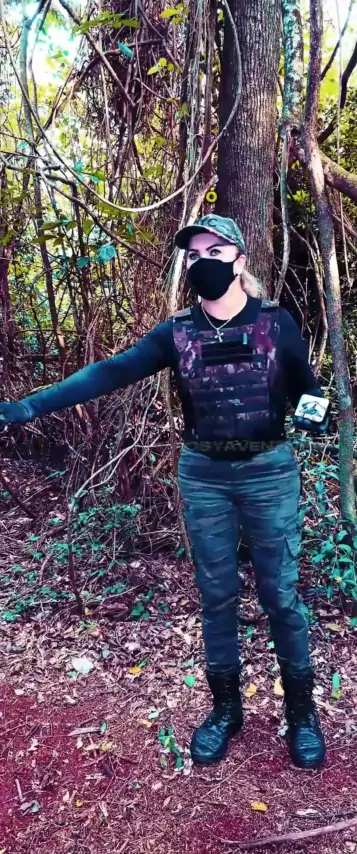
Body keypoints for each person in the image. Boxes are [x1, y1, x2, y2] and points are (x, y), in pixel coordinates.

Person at [0, 214, 327, 769]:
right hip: (204, 475)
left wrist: (314, 414)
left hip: (268, 473)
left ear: (240, 260)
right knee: (217, 594)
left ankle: (301, 714)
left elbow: (307, 389)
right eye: (194, 254)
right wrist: (28, 406)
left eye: (215, 251)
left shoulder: (275, 323)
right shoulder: (176, 333)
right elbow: (110, 372)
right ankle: (226, 710)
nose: (203, 262)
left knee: (280, 594)